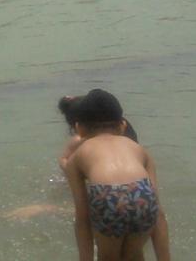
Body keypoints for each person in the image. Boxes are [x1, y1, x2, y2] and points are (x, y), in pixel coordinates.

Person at [65, 89, 169, 261]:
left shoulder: (77, 156)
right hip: (142, 194)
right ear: (122, 125)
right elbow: (159, 215)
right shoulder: (140, 150)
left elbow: (83, 218)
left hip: (107, 195)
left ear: (79, 128)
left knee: (108, 257)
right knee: (134, 256)